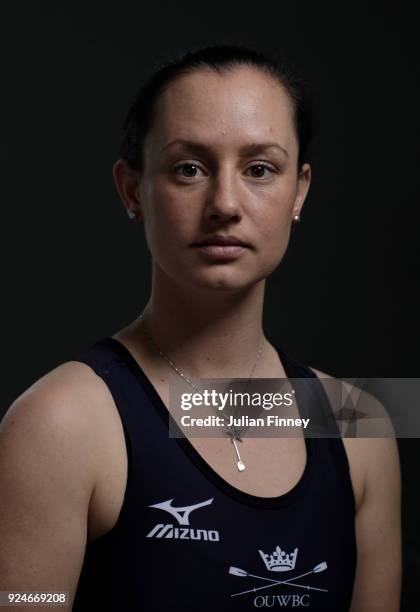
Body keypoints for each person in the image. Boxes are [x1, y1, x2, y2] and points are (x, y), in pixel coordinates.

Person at [0, 45, 401, 611]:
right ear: (131, 189)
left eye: (260, 169)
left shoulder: (358, 420)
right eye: (188, 168)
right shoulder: (59, 423)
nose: (225, 203)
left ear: (300, 192)